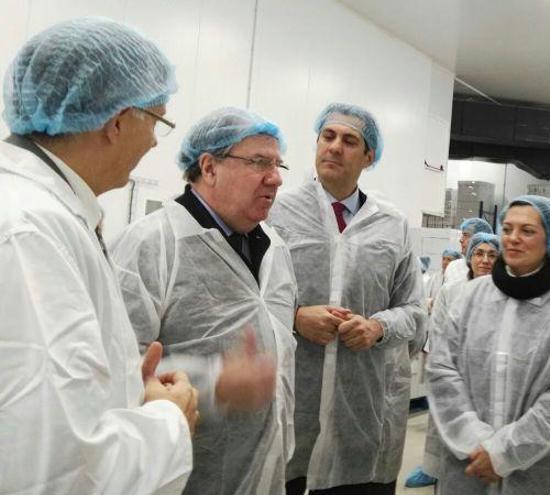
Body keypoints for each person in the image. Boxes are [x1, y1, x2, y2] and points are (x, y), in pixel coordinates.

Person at [0, 17, 198, 494]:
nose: (154, 141)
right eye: (158, 121)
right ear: (117, 121)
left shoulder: (41, 211)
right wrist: (168, 419)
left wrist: (123, 387)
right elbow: (58, 468)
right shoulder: (30, 230)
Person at [110, 107, 298, 494]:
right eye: (259, 162)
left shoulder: (274, 246)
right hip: (187, 476)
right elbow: (116, 371)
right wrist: (216, 384)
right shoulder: (151, 244)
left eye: (278, 164)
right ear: (209, 167)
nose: (275, 178)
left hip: (268, 469)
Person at [268, 102, 427, 495]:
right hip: (290, 413)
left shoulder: (392, 225)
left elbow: (414, 311)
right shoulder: (276, 213)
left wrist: (377, 327)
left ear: (368, 156)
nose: (335, 147)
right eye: (328, 136)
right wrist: (296, 317)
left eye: (349, 141)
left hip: (362, 418)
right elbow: (246, 297)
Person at [426, 195, 550, 494]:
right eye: (507, 229)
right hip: (468, 465)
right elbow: (442, 369)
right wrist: (476, 442)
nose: (513, 239)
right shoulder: (470, 297)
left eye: (527, 231)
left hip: (538, 472)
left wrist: (505, 452)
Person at [406, 233, 500, 488]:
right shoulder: (452, 290)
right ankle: (434, 470)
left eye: (492, 255)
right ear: (470, 257)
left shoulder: (504, 291)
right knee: (444, 433)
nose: (485, 260)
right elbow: (439, 333)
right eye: (479, 253)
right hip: (452, 376)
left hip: (486, 381)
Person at [444, 217, 493, 286]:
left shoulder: (488, 267)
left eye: (466, 235)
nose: (461, 240)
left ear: (480, 239)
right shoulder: (453, 266)